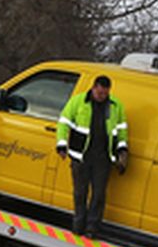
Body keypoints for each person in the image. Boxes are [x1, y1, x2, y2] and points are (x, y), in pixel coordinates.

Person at [55, 75, 128, 237]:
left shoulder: (115, 106)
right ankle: (78, 224)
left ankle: (92, 227)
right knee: (80, 192)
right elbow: (63, 122)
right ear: (94, 88)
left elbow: (121, 130)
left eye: (105, 93)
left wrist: (122, 150)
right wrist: (61, 143)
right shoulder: (78, 101)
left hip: (103, 157)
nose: (102, 96)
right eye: (99, 93)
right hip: (81, 156)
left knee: (99, 193)